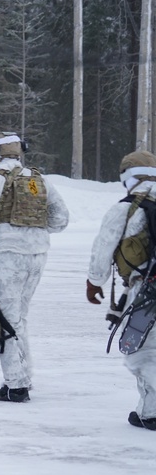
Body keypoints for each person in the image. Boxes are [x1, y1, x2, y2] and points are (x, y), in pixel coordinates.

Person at [0, 132, 68, 402]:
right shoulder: (38, 179)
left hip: (8, 258)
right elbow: (61, 218)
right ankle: (23, 377)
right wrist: (34, 232)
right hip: (38, 255)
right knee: (20, 317)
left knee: (6, 320)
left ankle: (16, 385)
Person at [86, 150, 156, 429]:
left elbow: (103, 248)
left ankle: (152, 411)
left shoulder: (128, 207)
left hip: (146, 290)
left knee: (142, 352)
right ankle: (147, 410)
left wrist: (94, 282)